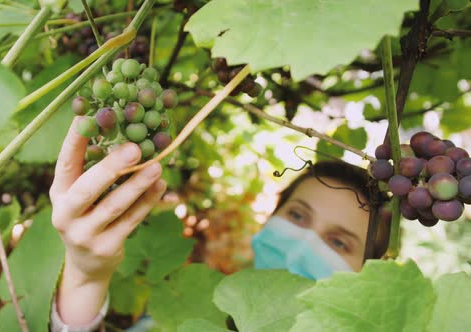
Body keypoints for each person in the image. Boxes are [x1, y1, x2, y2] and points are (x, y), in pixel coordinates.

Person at [48, 117, 390, 332]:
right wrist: (86, 277)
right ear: (270, 218)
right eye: (297, 216)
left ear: (368, 275)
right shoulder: (186, 318)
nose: (302, 244)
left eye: (339, 242)